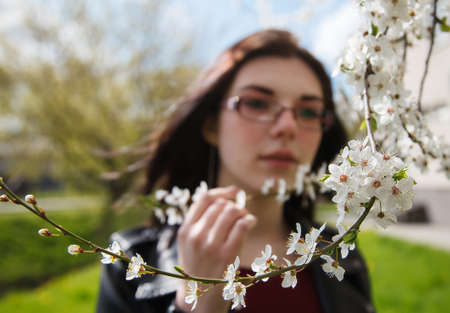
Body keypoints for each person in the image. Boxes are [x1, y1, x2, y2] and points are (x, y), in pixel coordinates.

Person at [97, 29, 375, 313]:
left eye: (308, 111)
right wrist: (199, 305)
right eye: (256, 103)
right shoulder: (131, 262)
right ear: (211, 125)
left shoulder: (340, 253)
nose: (288, 127)